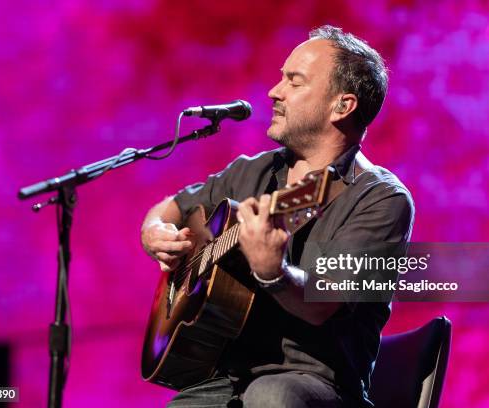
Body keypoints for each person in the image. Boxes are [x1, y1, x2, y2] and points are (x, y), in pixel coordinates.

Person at [141, 25, 414, 408]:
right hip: (226, 379)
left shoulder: (380, 198)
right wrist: (154, 232)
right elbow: (172, 206)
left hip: (318, 384)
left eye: (294, 81)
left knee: (272, 396)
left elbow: (324, 303)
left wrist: (275, 272)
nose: (274, 91)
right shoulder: (251, 172)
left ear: (342, 106)